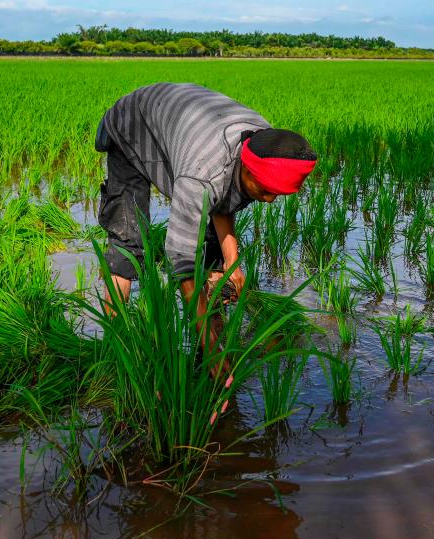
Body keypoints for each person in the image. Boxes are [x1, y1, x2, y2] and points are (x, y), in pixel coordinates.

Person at [94, 82, 317, 367]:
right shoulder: (202, 175)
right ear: (246, 169)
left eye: (278, 193)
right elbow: (182, 261)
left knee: (214, 252)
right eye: (264, 191)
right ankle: (115, 345)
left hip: (187, 128)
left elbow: (224, 197)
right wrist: (211, 349)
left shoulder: (268, 144)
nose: (271, 200)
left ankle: (211, 328)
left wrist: (232, 261)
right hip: (132, 127)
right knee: (128, 241)